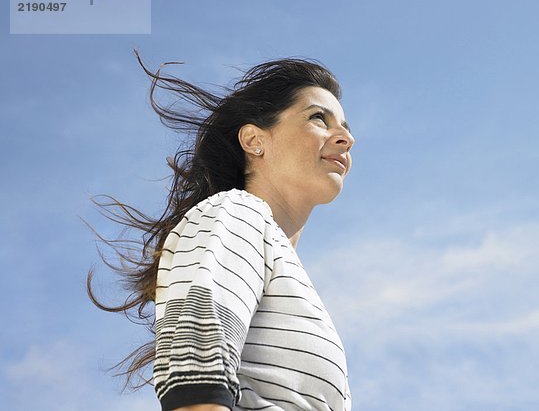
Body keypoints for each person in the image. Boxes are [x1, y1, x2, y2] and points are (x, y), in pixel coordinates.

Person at [86, 50, 355, 411]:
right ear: (254, 140)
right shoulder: (237, 213)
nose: (344, 138)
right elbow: (196, 389)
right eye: (319, 118)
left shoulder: (287, 271)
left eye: (346, 129)